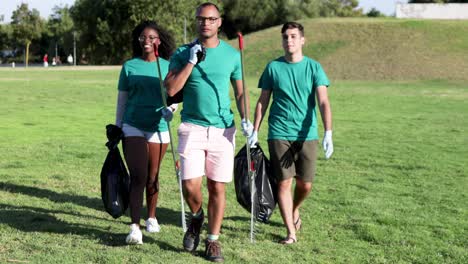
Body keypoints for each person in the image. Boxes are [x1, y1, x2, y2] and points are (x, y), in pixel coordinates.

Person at [164, 2, 252, 262]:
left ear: (219, 22)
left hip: (223, 129)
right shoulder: (182, 52)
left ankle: (212, 241)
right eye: (201, 19)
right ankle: (197, 217)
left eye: (211, 19)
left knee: (217, 187)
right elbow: (170, 88)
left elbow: (240, 91)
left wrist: (247, 118)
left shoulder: (231, 55)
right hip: (192, 126)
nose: (206, 23)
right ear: (196, 21)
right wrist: (191, 61)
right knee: (190, 185)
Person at [248, 21, 334, 245]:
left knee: (305, 184)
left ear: (302, 40)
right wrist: (255, 130)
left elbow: (323, 101)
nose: (289, 41)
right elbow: (263, 101)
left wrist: (328, 132)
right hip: (279, 132)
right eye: (285, 37)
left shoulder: (314, 67)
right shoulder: (273, 68)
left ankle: (294, 209)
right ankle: (290, 233)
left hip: (307, 134)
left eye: (294, 36)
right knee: (284, 183)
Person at [115, 20, 178, 245]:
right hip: (132, 124)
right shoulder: (129, 66)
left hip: (159, 127)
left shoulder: (168, 66)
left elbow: (174, 95)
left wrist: (171, 110)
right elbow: (122, 99)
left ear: (159, 41)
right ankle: (134, 227)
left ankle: (151, 216)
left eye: (151, 37)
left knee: (152, 177)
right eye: (143, 37)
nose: (146, 41)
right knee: (138, 176)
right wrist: (117, 126)